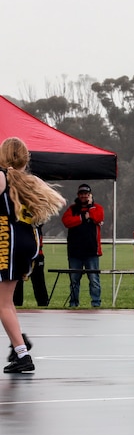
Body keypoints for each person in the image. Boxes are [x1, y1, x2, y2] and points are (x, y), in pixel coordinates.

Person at [1, 137, 66, 373]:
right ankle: (18, 341)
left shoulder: (3, 177)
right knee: (4, 301)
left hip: (8, 242)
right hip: (26, 240)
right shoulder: (30, 181)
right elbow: (54, 204)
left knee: (3, 302)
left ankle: (22, 353)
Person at [61, 183, 104, 307]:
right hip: (75, 252)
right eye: (81, 194)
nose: (84, 196)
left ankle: (96, 303)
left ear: (90, 195)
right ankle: (73, 303)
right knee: (74, 280)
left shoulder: (97, 207)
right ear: (78, 195)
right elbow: (66, 221)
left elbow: (97, 218)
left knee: (94, 280)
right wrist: (82, 218)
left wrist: (90, 208)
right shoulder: (72, 209)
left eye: (86, 194)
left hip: (92, 251)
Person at [13, 224, 49, 307]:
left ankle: (43, 303)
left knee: (39, 281)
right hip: (20, 254)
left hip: (37, 255)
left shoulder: (36, 220)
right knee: (17, 280)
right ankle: (16, 304)